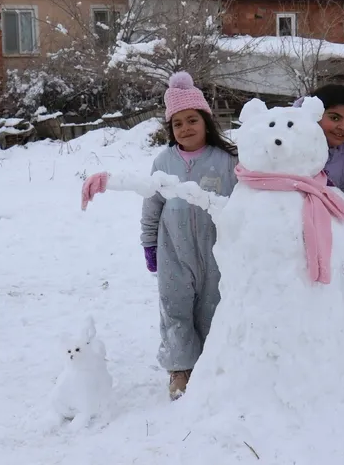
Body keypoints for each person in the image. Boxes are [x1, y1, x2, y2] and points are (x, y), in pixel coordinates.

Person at [81, 71, 238, 401]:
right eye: (177, 123)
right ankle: (180, 369)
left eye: (192, 120)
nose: (185, 128)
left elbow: (242, 206)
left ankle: (211, 364)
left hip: (217, 251)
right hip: (173, 250)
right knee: (175, 308)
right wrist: (149, 244)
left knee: (213, 306)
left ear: (206, 121)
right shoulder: (164, 161)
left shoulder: (226, 160)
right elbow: (152, 204)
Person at [292, 83, 344, 195]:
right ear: (315, 114)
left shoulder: (343, 157)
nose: (343, 127)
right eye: (335, 118)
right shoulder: (289, 146)